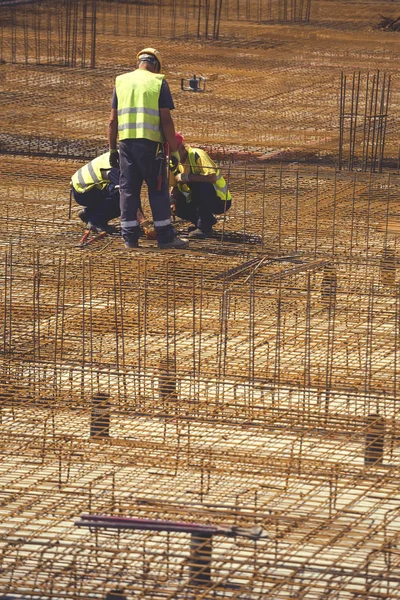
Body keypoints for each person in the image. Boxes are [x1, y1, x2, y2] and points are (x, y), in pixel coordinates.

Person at [108, 47, 188, 250]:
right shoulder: (158, 81)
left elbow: (112, 121)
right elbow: (166, 121)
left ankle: (129, 239)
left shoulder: (121, 81)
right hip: (151, 146)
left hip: (125, 144)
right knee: (158, 190)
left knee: (128, 192)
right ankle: (166, 238)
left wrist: (112, 150)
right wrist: (175, 150)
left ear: (139, 62)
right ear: (155, 65)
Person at [170, 133, 232, 239]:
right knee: (173, 202)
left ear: (181, 149)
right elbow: (174, 187)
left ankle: (204, 228)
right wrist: (172, 201)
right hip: (196, 199)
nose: (171, 156)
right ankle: (202, 222)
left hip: (220, 200)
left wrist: (188, 177)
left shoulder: (197, 154)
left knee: (200, 185)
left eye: (172, 153)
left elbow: (211, 178)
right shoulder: (173, 163)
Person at [70, 151, 120, 233]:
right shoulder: (117, 166)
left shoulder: (119, 153)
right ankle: (96, 222)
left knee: (121, 195)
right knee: (122, 201)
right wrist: (142, 222)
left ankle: (89, 213)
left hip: (81, 187)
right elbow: (126, 195)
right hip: (84, 191)